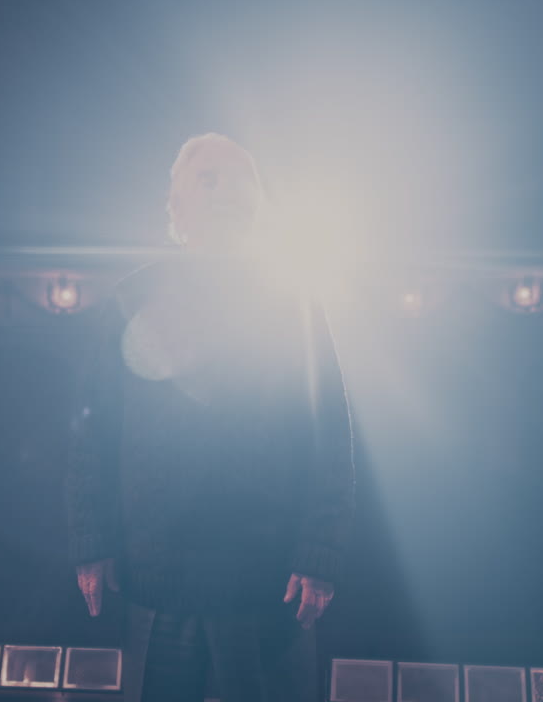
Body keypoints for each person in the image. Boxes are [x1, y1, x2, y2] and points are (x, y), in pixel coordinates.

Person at [65, 133, 355, 702]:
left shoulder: (294, 302)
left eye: (240, 177)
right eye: (208, 177)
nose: (226, 190)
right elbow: (91, 426)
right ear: (176, 206)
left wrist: (321, 550)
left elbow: (331, 435)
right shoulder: (134, 295)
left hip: (268, 589)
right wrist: (90, 538)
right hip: (155, 585)